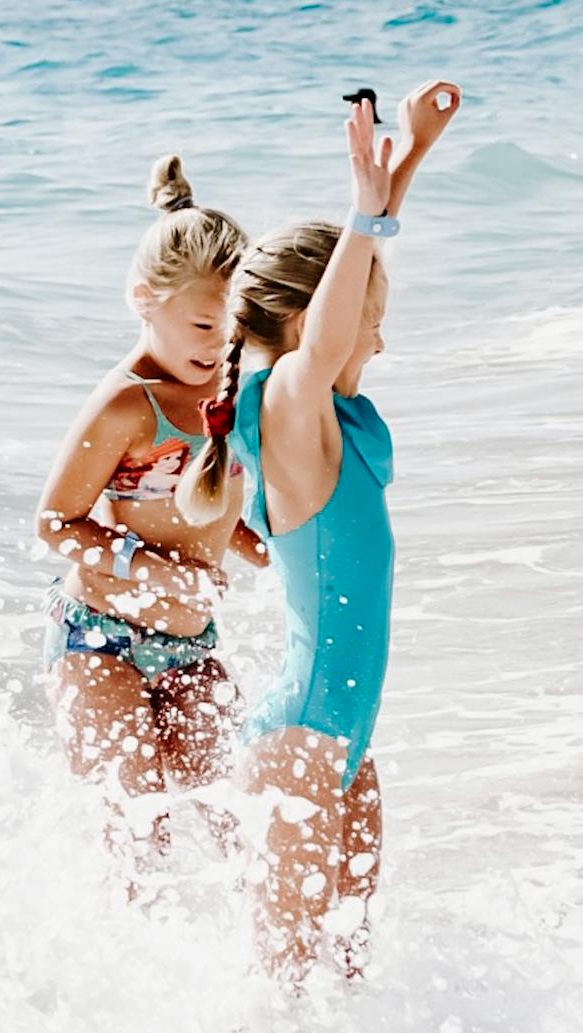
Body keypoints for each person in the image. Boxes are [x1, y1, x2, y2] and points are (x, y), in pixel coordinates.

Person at [179, 81, 461, 975]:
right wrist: (362, 212)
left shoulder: (324, 417)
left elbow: (346, 296)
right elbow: (332, 327)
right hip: (299, 747)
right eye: (370, 327)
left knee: (344, 976)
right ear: (315, 329)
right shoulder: (292, 415)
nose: (378, 344)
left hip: (341, 749)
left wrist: (410, 158)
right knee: (283, 987)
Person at [35, 155, 264, 866]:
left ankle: (255, 973)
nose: (219, 347)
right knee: (137, 835)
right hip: (99, 639)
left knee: (236, 820)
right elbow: (54, 522)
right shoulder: (128, 404)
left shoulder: (230, 393)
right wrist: (156, 571)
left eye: (234, 332)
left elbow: (212, 511)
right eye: (202, 325)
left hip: (191, 644)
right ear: (144, 299)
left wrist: (269, 548)